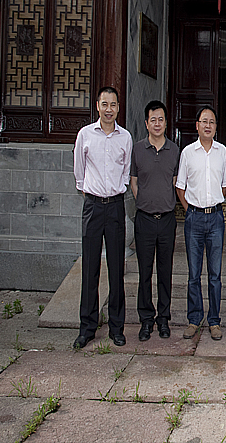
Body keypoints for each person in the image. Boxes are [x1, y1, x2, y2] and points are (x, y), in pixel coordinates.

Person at [73, 86, 132, 349]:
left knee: (117, 268)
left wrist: (116, 191)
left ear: (118, 107)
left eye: (113, 104)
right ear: (97, 106)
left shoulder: (125, 137)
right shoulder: (85, 135)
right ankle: (87, 327)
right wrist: (90, 192)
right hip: (93, 207)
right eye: (104, 104)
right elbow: (79, 172)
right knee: (90, 268)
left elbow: (126, 171)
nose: (109, 109)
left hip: (116, 206)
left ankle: (117, 327)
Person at [176, 105, 226, 341]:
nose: (208, 125)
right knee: (193, 274)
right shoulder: (188, 153)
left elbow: (225, 185)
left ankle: (214, 320)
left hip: (216, 218)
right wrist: (191, 210)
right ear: (197, 125)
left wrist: (211, 205)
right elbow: (180, 187)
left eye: (212, 122)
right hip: (194, 219)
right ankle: (194, 319)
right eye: (204, 121)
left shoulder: (222, 151)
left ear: (216, 127)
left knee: (215, 274)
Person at [130, 100, 180, 342]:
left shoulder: (175, 150)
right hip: (145, 220)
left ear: (166, 123)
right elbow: (134, 182)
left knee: (165, 271)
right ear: (146, 123)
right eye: (153, 120)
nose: (157, 124)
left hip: (167, 219)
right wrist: (146, 203)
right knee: (144, 271)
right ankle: (146, 319)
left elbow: (176, 183)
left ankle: (163, 318)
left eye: (161, 119)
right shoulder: (138, 149)